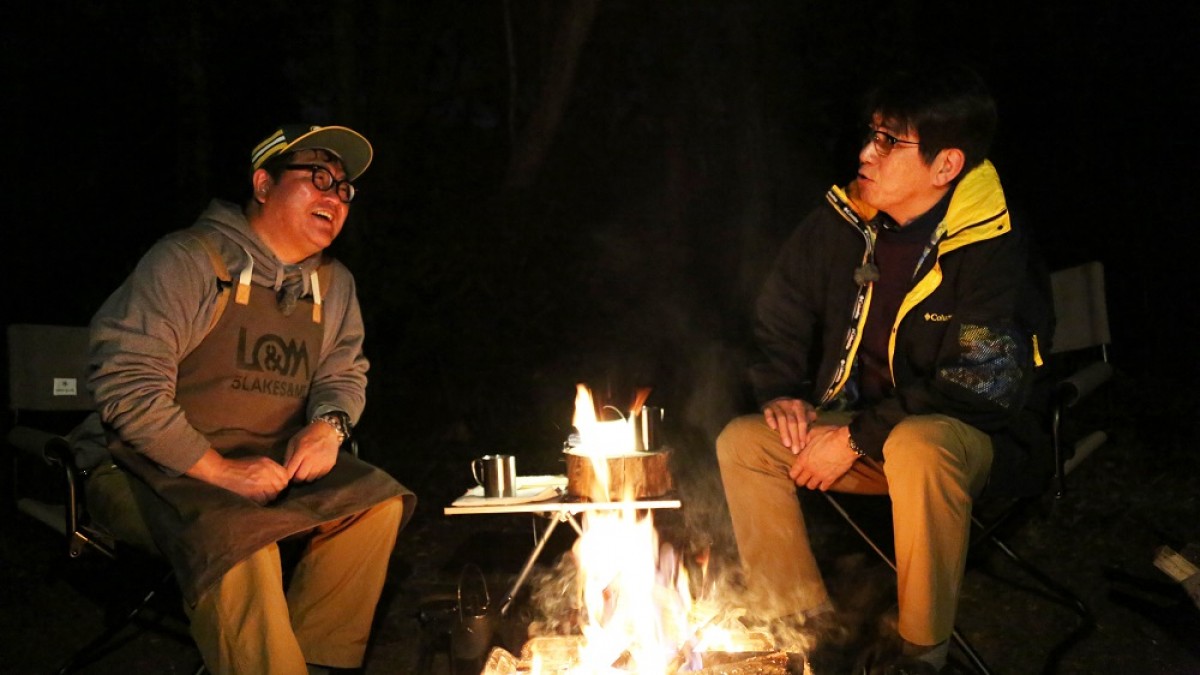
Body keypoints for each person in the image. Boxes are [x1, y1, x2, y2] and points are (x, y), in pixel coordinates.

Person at [716, 66, 1052, 674]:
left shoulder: (990, 244)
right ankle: (799, 638)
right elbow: (781, 311)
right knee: (744, 443)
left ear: (945, 166)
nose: (866, 153)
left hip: (973, 442)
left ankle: (921, 659)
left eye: (889, 142)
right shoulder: (845, 219)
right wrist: (781, 392)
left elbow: (981, 382)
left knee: (920, 445)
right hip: (869, 430)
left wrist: (853, 436)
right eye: (872, 134)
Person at [74, 124, 416, 674]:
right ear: (263, 183)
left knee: (376, 504)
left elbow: (344, 373)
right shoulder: (189, 260)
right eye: (318, 178)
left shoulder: (334, 285)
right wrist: (218, 471)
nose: (335, 196)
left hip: (267, 463)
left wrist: (329, 425)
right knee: (241, 539)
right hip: (141, 469)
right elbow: (126, 383)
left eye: (345, 188)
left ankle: (311, 661)